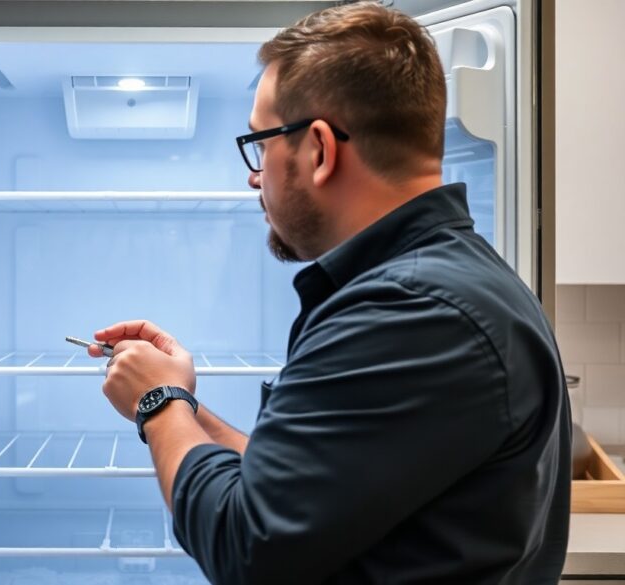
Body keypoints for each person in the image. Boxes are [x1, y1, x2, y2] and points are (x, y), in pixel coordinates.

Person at [87, 2, 571, 583]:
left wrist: (157, 405)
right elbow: (307, 489)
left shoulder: (410, 311)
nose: (253, 175)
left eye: (260, 145)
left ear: (319, 148)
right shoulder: (439, 286)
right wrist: (183, 400)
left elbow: (247, 547)